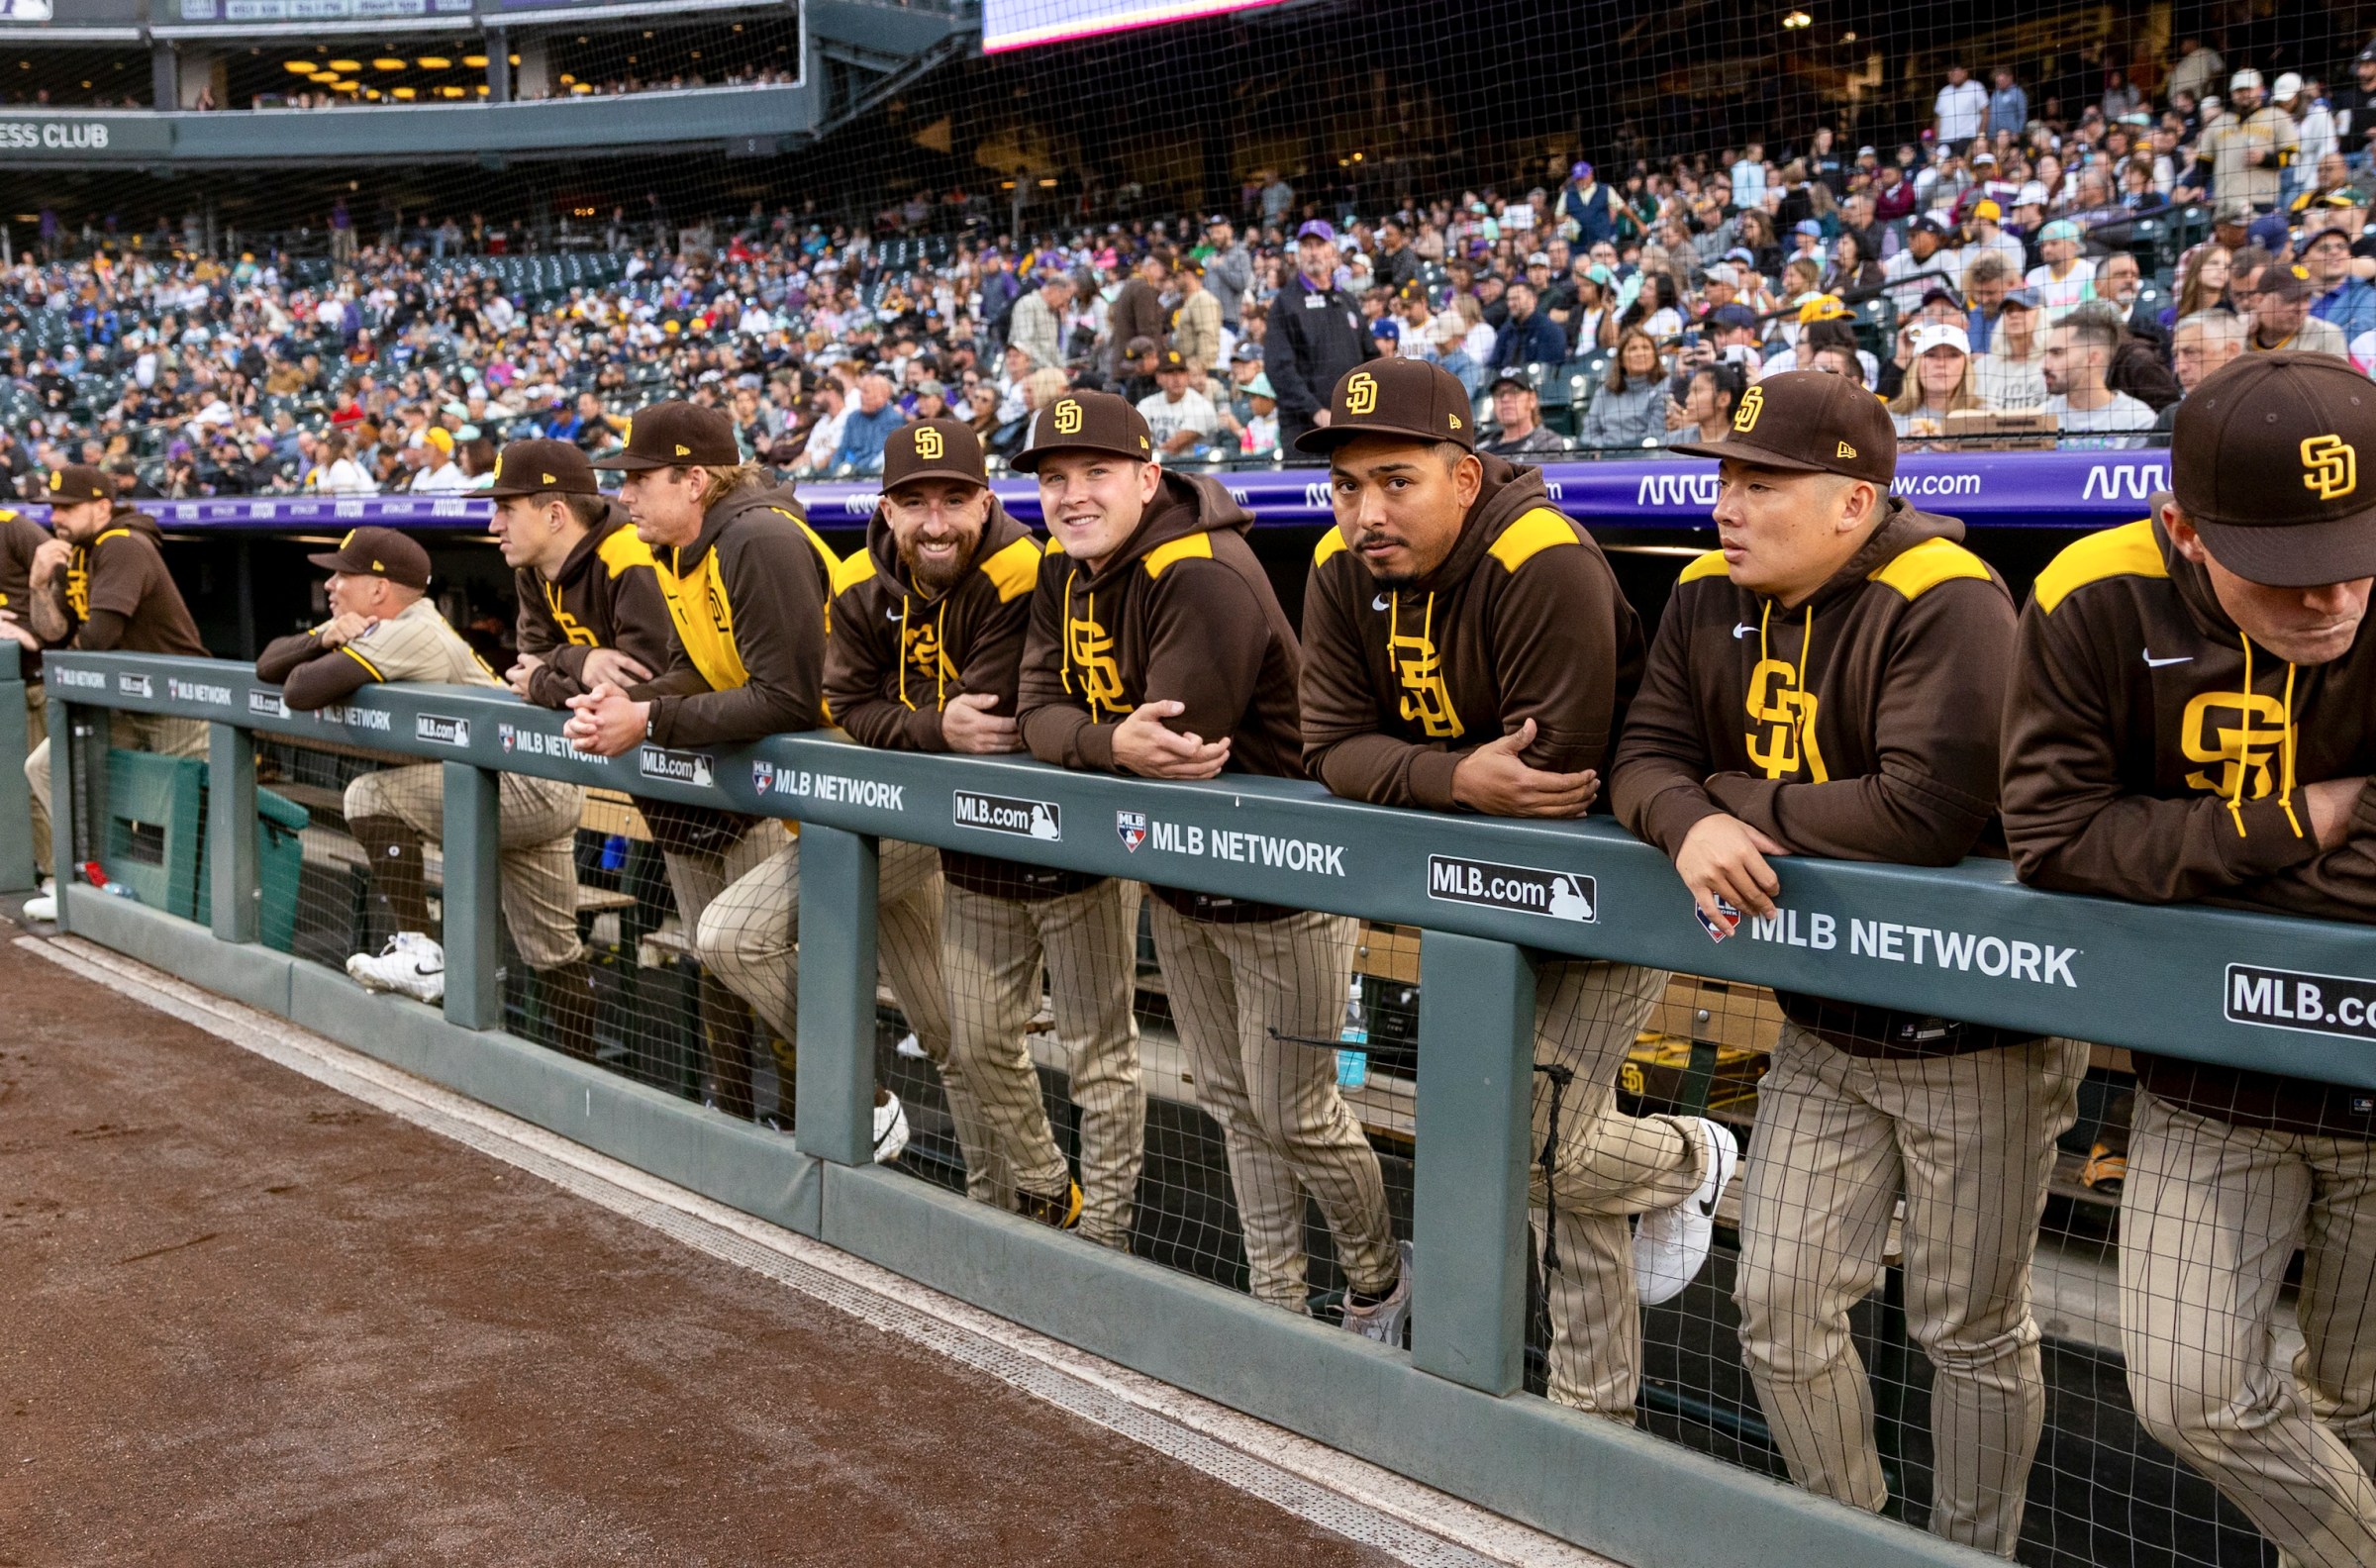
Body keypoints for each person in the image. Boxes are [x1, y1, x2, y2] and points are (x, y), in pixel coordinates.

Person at [1615, 369, 2077, 1555]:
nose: (1727, 502)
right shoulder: (1704, 593)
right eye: (1724, 474)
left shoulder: (1947, 594)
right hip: (1825, 1028)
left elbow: (1924, 813)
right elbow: (1641, 755)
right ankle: (1855, 1537)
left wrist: (1719, 797)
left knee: (1967, 1330)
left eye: (1763, 482)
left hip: (1980, 1037)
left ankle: (1972, 1551)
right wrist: (1686, 819)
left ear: (1854, 505)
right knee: (1776, 1312)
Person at [1298, 357, 1732, 1414]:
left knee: (1530, 1136)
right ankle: (1597, 1413)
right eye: (1348, 486)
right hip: (1472, 891)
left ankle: (1690, 1160)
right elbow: (1327, 746)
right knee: (1551, 1170)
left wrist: (1430, 781)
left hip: (1604, 888)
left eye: (1395, 481)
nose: (1364, 512)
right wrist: (1455, 778)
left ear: (1463, 473)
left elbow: (1553, 780)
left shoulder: (1541, 558)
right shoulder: (1332, 560)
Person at [2000, 351, 2376, 1568]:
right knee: (2191, 1391)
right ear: (2185, 530)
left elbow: (2113, 840)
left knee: (2361, 1401)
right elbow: (2054, 837)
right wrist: (2301, 822)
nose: (2329, 601)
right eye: (2286, 572)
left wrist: (2180, 858)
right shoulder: (2093, 590)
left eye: (2353, 558)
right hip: (2206, 1082)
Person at [1013, 388, 1407, 1334]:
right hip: (1182, 880)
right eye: (1055, 479)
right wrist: (1106, 744)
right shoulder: (1066, 572)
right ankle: (1276, 1299)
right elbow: (1037, 710)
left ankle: (1380, 1282)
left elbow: (1182, 744)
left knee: (1297, 1110)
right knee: (1232, 1102)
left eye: (1096, 474)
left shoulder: (1202, 570)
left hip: (1283, 883)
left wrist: (1086, 736)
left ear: (1150, 478)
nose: (1071, 496)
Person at [824, 417, 1144, 1242]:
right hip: (969, 854)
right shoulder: (859, 578)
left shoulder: (1026, 566)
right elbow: (849, 705)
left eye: (956, 499)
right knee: (977, 1044)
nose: (936, 521)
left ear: (986, 499)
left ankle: (1106, 1242)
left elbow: (999, 715)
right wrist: (933, 728)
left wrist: (911, 724)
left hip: (1072, 844)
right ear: (886, 508)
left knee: (1100, 1060)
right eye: (915, 501)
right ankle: (1040, 1192)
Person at [558, 401, 910, 1154]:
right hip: (814, 808)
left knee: (954, 1026)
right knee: (744, 949)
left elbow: (787, 695)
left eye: (640, 480)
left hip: (879, 794)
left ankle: (871, 1108)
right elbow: (701, 670)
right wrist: (632, 701)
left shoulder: (757, 538)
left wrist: (646, 724)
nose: (625, 495)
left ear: (694, 479)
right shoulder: (684, 549)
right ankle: (855, 1110)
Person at [252, 528, 601, 1059]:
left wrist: (325, 645)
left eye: (342, 573)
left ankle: (421, 950)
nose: (330, 584)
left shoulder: (411, 628)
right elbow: (268, 663)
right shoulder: (378, 621)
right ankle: (584, 1073)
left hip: (521, 787)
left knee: (369, 797)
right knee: (553, 952)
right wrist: (321, 637)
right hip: (525, 783)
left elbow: (300, 689)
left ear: (377, 587)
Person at [21, 465, 209, 924]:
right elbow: (54, 632)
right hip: (123, 699)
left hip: (175, 697)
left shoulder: (122, 544)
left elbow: (98, 637)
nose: (57, 517)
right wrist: (38, 582)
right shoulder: (79, 554)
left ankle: (213, 917)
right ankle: (93, 882)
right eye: (54, 508)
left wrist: (67, 650)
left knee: (196, 814)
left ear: (103, 506)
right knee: (44, 767)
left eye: (69, 507)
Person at [1267, 221, 1377, 458]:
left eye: (1319, 244)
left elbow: (1371, 356)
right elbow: (1279, 369)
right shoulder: (1285, 304)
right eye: (1306, 245)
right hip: (1305, 433)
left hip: (1351, 427)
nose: (1313, 251)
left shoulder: (1346, 299)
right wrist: (1316, 411)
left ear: (1332, 251)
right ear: (1298, 253)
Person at [1, 505, 53, 888]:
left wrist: (27, 626)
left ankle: (55, 873)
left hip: (34, 678)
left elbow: (59, 570)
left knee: (39, 778)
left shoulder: (12, 528)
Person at [2193, 70, 2301, 214]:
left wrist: (2265, 158)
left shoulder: (2278, 117)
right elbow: (2203, 161)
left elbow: (2293, 157)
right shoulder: (2218, 123)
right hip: (2225, 202)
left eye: (2248, 89)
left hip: (2262, 200)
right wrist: (2199, 185)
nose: (2243, 94)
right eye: (2238, 90)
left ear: (2260, 89)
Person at [2040, 317, 2156, 435]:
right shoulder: (2041, 417)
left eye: (2057, 353)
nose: (2045, 365)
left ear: (2092, 359)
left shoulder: (2137, 420)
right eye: (2045, 354)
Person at [1890, 322, 1986, 437]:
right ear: (1916, 364)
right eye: (1931, 355)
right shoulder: (1886, 417)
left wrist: (1956, 452)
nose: (1941, 363)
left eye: (1953, 355)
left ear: (1966, 365)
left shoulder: (1987, 416)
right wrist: (1899, 452)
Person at [1580, 329, 1668, 451]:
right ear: (1621, 360)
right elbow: (1588, 434)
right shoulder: (1604, 391)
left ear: (1655, 355)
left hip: (1646, 456)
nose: (1640, 353)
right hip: (1605, 458)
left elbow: (1656, 434)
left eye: (1646, 347)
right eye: (1633, 349)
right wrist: (1603, 449)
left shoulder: (1665, 386)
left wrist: (1619, 451)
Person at [1137, 347, 1222, 463]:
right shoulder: (1146, 405)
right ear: (1158, 378)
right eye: (1170, 373)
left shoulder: (1201, 405)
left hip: (1194, 469)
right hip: (1156, 468)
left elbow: (1172, 447)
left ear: (1187, 375)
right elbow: (1138, 442)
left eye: (1181, 372)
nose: (1176, 379)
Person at [2248, 262, 2352, 356]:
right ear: (2259, 300)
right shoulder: (2240, 329)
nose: (2301, 308)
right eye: (2291, 299)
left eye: (2306, 298)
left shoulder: (2327, 335)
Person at [2305, 225, 2376, 343]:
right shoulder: (2291, 296)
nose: (2334, 252)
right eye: (2324, 248)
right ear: (2305, 261)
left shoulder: (2368, 297)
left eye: (2341, 246)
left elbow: (2358, 342)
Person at [1481, 365, 1568, 458]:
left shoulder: (1549, 443)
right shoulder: (1481, 443)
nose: (1505, 399)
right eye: (1499, 393)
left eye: (1515, 391)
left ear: (1532, 400)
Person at [1662, 361, 1746, 448]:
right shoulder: (1674, 442)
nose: (1687, 400)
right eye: (1690, 391)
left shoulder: (1743, 445)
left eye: (1697, 390)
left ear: (1723, 399)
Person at [2025, 221, 2097, 321]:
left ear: (2073, 245)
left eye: (2054, 243)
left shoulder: (2090, 271)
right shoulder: (2033, 276)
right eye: (2042, 245)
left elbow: (2090, 311)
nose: (2047, 250)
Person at [1490, 280, 1565, 370]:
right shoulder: (1506, 330)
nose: (1510, 304)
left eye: (1515, 299)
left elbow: (1546, 369)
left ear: (1533, 299)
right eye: (1508, 299)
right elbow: (1493, 366)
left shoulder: (1550, 330)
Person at [1935, 64, 1989, 151]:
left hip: (1968, 137)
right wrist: (1937, 139)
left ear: (1965, 73)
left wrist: (1981, 135)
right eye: (1951, 73)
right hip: (1945, 140)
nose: (1953, 75)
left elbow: (1985, 112)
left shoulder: (1976, 87)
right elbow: (1938, 118)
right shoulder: (1943, 92)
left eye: (1956, 72)